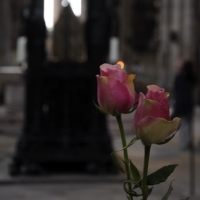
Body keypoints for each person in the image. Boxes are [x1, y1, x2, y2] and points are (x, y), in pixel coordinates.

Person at [171, 60, 197, 150]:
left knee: (184, 124)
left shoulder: (180, 76)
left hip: (181, 102)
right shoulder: (189, 77)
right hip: (187, 102)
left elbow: (175, 88)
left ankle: (185, 142)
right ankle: (187, 142)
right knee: (187, 124)